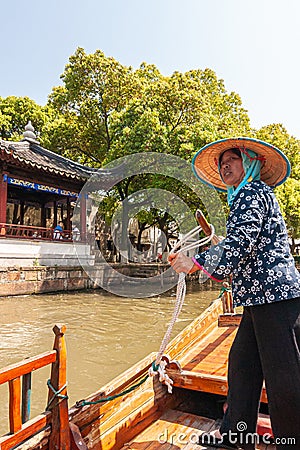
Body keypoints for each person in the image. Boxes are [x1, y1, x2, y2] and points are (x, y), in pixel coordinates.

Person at [168, 137, 300, 449]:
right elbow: (243, 242)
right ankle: (236, 436)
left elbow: (241, 241)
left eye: (233, 159)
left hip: (275, 296)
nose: (225, 165)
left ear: (250, 163)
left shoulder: (253, 192)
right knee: (242, 365)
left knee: (284, 378)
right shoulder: (243, 198)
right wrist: (211, 252)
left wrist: (196, 263)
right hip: (258, 298)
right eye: (221, 162)